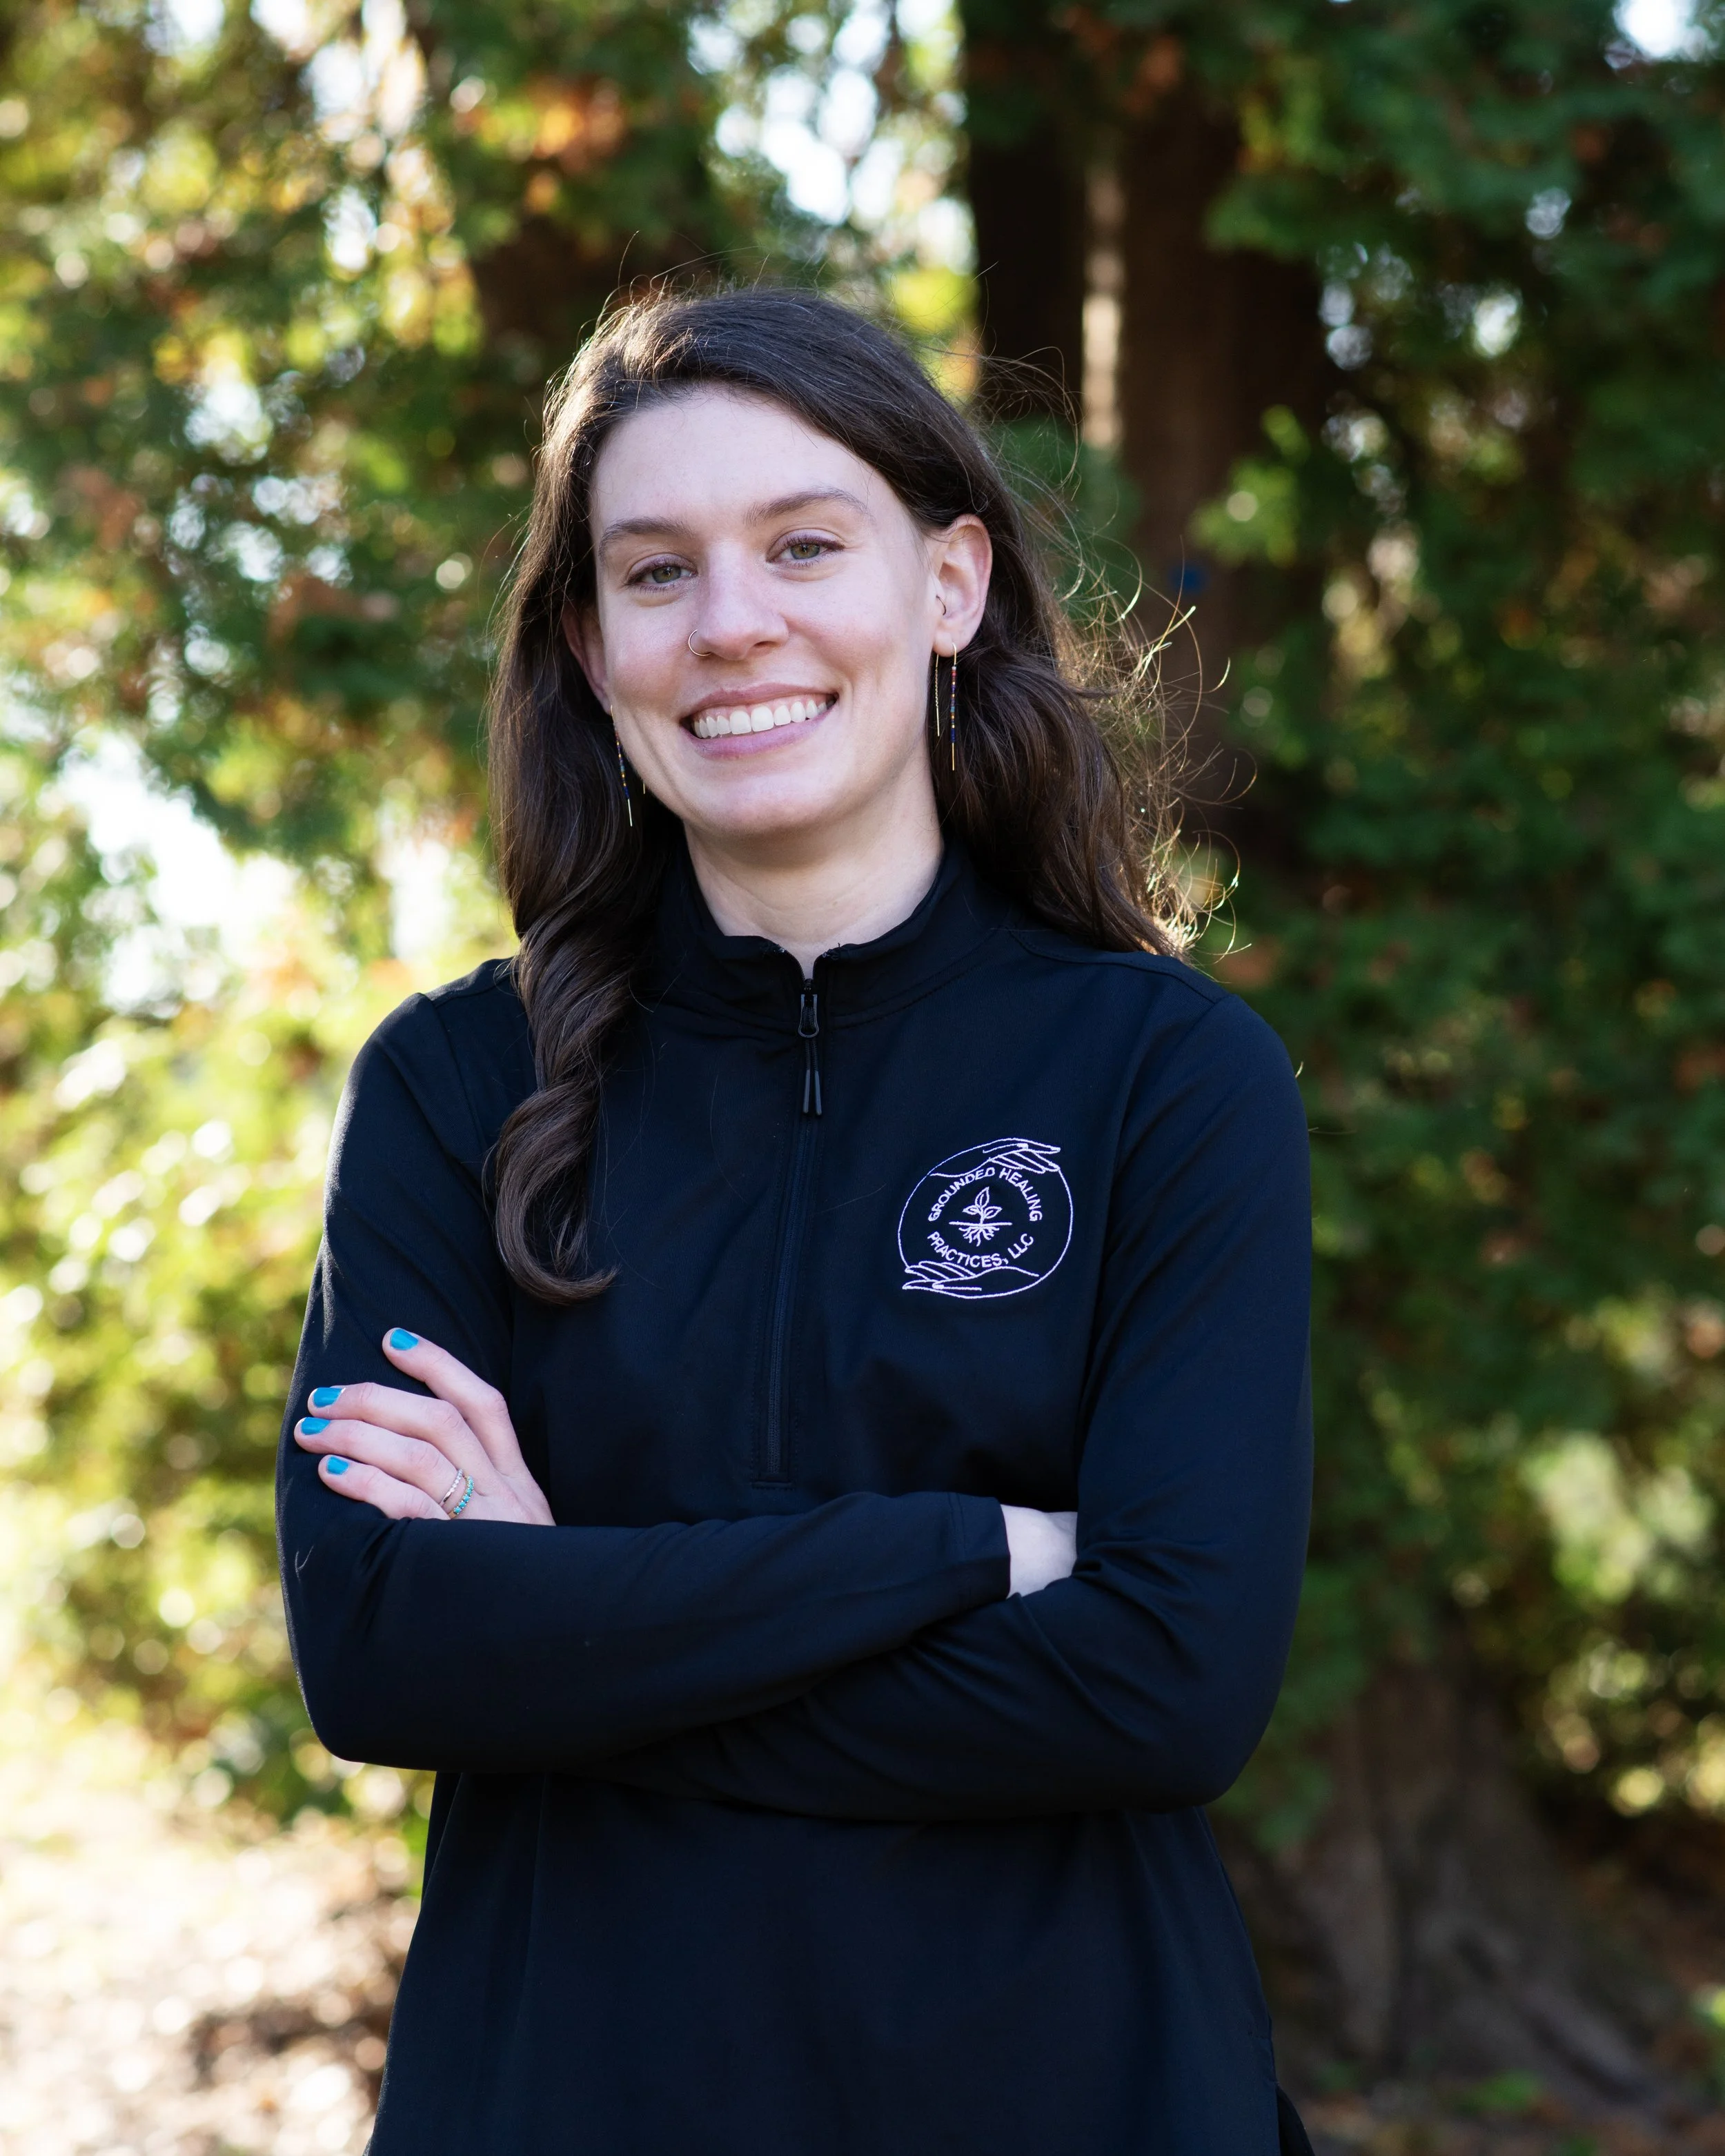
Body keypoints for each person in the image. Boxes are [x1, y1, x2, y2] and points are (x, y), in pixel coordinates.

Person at [276, 285, 1314, 2155]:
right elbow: (384, 1654)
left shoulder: (1167, 1078)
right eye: (654, 570)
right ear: (590, 645)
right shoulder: (451, 1089)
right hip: (569, 2094)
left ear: (949, 584)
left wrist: (567, 1620)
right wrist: (969, 1551)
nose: (732, 618)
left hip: (1073, 2093)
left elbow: (1166, 1687)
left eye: (803, 543)